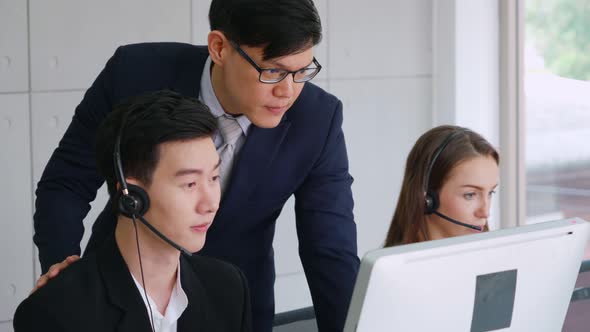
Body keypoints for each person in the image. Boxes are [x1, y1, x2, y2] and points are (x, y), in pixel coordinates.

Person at [32, 1, 359, 331]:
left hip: (235, 305)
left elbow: (330, 250)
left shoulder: (317, 118)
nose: (288, 92)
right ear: (219, 47)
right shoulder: (134, 73)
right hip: (117, 293)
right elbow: (67, 182)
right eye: (272, 71)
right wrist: (65, 274)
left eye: (302, 71)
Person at [15, 90, 251, 332]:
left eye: (214, 177)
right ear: (132, 197)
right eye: (190, 184)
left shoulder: (228, 288)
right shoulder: (56, 311)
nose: (210, 203)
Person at [384, 125, 499, 246]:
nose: (485, 213)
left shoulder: (495, 261)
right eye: (470, 195)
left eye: (490, 193)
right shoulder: (390, 265)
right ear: (427, 200)